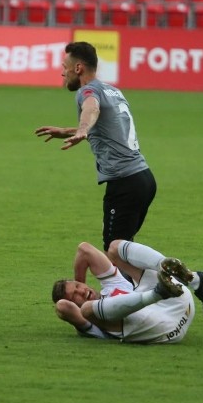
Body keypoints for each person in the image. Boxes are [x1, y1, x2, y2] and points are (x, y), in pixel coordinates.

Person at [36, 42, 157, 251]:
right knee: (124, 248)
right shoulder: (112, 91)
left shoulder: (88, 91)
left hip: (124, 182)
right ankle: (152, 282)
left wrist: (82, 129)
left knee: (115, 250)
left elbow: (91, 109)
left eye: (64, 67)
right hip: (143, 178)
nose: (62, 73)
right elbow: (107, 127)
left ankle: (190, 276)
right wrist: (66, 131)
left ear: (78, 68)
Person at [51, 240, 203, 344]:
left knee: (114, 248)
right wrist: (79, 311)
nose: (81, 291)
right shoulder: (89, 324)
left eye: (78, 287)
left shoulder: (111, 285)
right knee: (88, 310)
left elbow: (84, 249)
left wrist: (78, 281)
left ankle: (195, 280)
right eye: (75, 295)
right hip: (168, 329)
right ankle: (158, 292)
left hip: (178, 300)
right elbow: (62, 307)